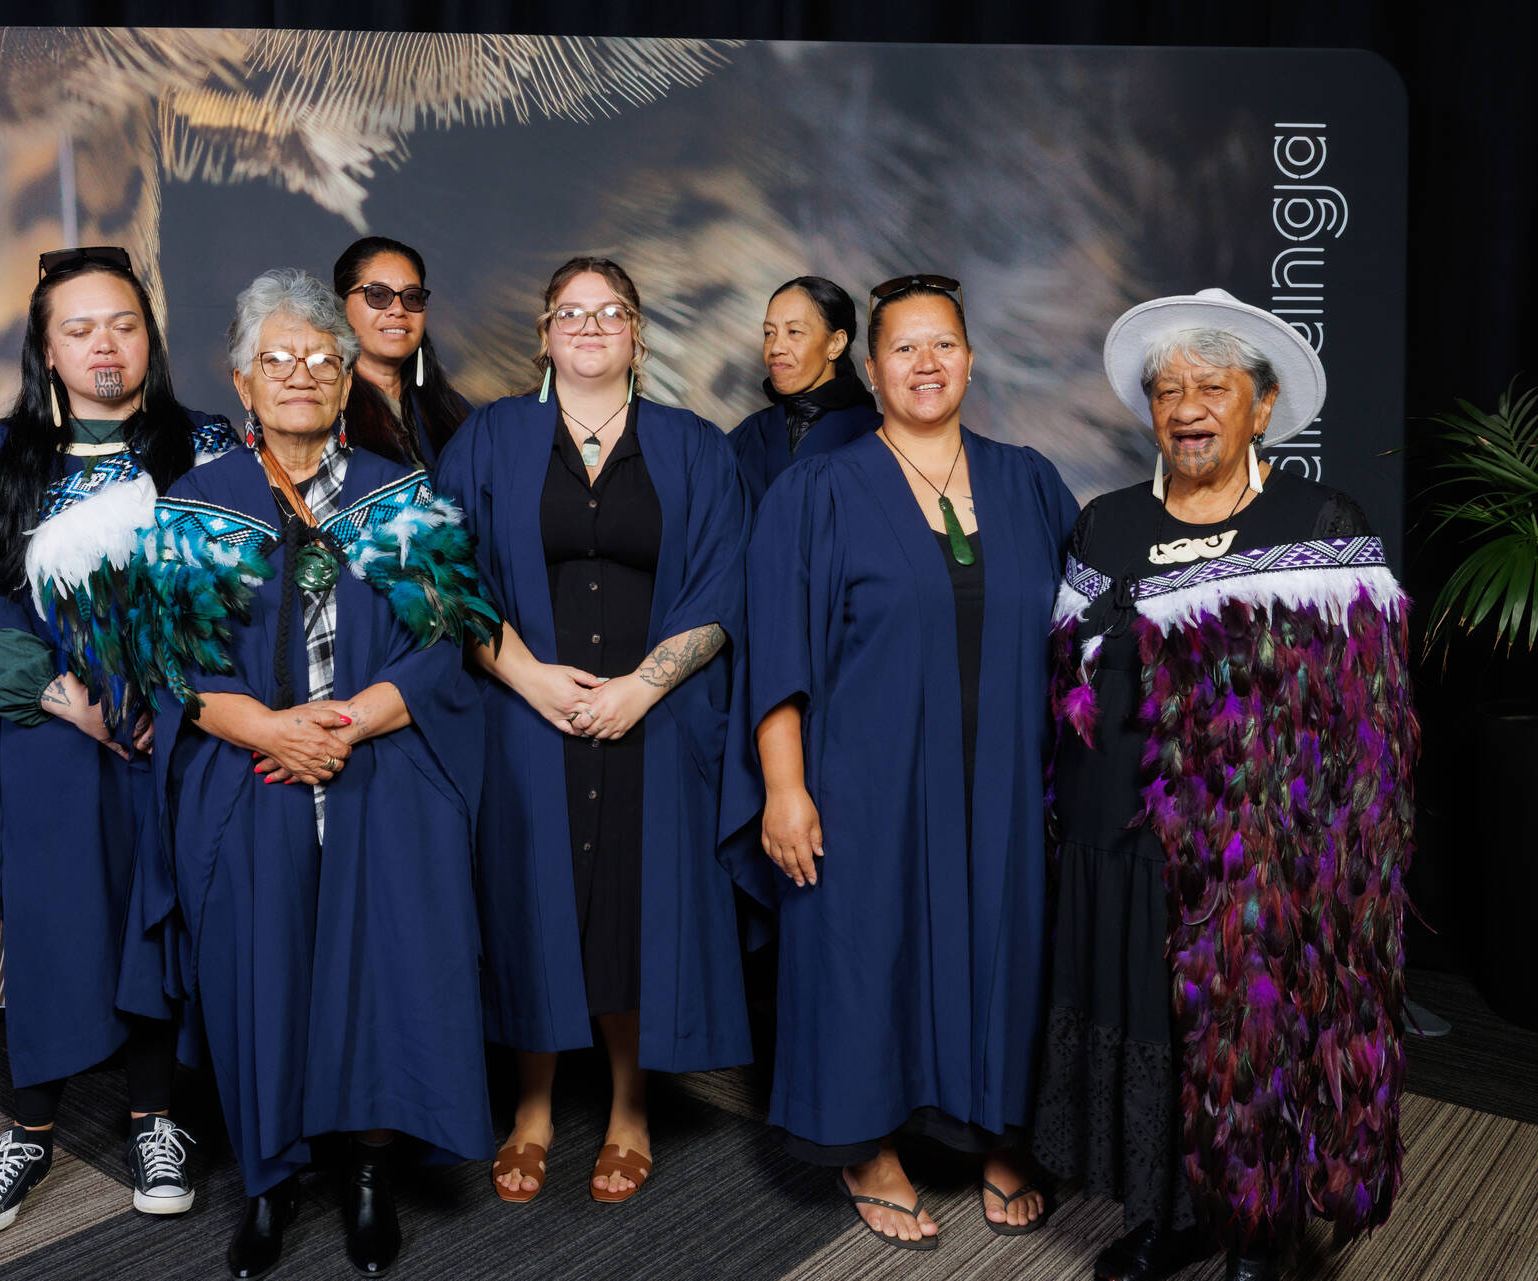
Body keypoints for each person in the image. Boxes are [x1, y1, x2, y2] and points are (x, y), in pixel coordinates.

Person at [1030, 289, 1416, 1281]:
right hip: (1118, 843)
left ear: (1263, 404)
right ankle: (1170, 1213)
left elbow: (1366, 720)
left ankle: (1256, 1230)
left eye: (1213, 387)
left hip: (1253, 856)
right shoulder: (1107, 522)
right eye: (1168, 391)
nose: (1187, 408)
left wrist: (1323, 856)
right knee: (1145, 1026)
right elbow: (1068, 677)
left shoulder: (1319, 521)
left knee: (1246, 1038)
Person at [132, 268, 496, 1279]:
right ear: (241, 380)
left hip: (381, 764)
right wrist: (272, 733)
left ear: (347, 378)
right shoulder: (199, 502)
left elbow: (445, 645)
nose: (301, 373)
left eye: (322, 359)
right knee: (263, 976)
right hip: (252, 773)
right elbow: (172, 667)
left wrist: (342, 726)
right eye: (278, 358)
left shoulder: (400, 495)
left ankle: (369, 1175)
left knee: (386, 973)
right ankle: (271, 1182)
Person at [720, 274, 1076, 1251]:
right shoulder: (815, 491)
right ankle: (867, 1147)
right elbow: (776, 652)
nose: (926, 363)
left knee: (1007, 948)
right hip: (863, 784)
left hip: (1004, 782)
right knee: (863, 954)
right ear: (871, 369)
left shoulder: (1028, 481)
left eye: (944, 344)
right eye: (904, 348)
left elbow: (1086, 635)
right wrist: (783, 788)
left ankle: (997, 1130)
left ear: (971, 360)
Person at [433, 256, 752, 1206]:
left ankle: (630, 1109)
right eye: (570, 312)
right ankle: (530, 1108)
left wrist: (641, 689)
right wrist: (529, 677)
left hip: (654, 721)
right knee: (528, 900)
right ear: (543, 334)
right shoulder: (491, 438)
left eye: (610, 312)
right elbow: (443, 572)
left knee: (628, 906)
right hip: (520, 718)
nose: (589, 325)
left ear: (637, 335)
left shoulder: (695, 447)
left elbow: (727, 582)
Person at [0, 245, 232, 1236]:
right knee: (59, 918)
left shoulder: (209, 447)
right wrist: (74, 703)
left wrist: (174, 692)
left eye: (124, 324)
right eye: (81, 329)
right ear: (47, 349)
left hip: (179, 729)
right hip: (54, 732)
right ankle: (29, 1130)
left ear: (150, 336)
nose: (107, 345)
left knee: (159, 911)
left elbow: (245, 586)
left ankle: (155, 1119)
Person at [726, 275, 880, 502]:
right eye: (769, 333)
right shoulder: (748, 433)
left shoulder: (878, 436)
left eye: (794, 332)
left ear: (835, 343)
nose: (776, 348)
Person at [334, 235, 472, 468]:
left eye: (412, 297)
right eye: (378, 295)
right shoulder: (323, 408)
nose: (398, 309)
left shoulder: (455, 410)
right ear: (341, 304)